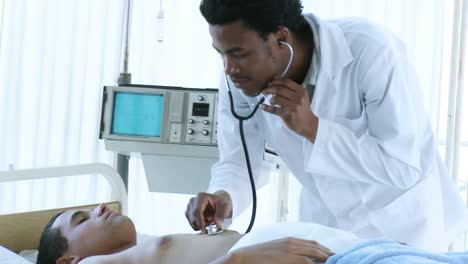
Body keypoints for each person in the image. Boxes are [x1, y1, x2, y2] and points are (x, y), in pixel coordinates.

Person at [185, 0, 467, 251]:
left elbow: (403, 166)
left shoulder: (370, 51)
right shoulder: (240, 81)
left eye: (239, 53)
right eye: (221, 53)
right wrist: (224, 195)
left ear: (280, 38)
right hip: (326, 233)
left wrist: (314, 129)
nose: (228, 68)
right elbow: (240, 162)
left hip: (404, 233)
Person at [36, 203, 349, 264]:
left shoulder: (138, 250)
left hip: (337, 249)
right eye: (82, 220)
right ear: (68, 261)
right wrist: (238, 259)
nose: (100, 208)